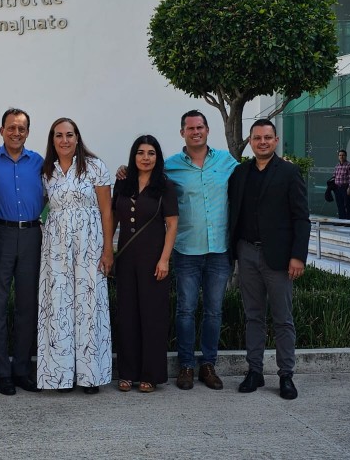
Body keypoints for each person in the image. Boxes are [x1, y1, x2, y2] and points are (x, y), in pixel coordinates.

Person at [228, 118, 310, 400]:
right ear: (250, 142)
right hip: (247, 252)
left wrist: (298, 256)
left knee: (282, 318)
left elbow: (301, 218)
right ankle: (255, 371)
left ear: (275, 141)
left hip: (279, 257)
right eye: (257, 138)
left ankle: (286, 374)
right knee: (253, 316)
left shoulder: (289, 172)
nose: (262, 142)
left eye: (267, 137)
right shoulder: (240, 173)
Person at [37, 117, 114, 394]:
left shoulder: (95, 167)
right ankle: (60, 375)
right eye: (59, 135)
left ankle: (90, 376)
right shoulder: (46, 171)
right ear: (52, 140)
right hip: (56, 248)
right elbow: (45, 207)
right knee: (58, 306)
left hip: (89, 245)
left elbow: (106, 210)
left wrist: (108, 250)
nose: (65, 140)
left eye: (69, 134)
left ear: (77, 137)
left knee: (89, 305)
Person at [163, 110, 238, 391]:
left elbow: (252, 175)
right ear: (182, 132)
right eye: (190, 128)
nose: (196, 132)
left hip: (219, 250)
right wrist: (124, 171)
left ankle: (208, 365)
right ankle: (185, 366)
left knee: (214, 311)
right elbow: (144, 177)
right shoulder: (170, 166)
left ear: (207, 130)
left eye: (200, 127)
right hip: (186, 250)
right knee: (185, 310)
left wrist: (282, 164)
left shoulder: (226, 161)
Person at [0, 109, 43, 396]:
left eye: (21, 128)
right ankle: (2, 372)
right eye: (11, 128)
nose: (16, 133)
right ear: (1, 130)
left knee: (28, 305)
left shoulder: (39, 161)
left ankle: (22, 370)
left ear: (28, 132)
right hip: (0, 236)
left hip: (32, 236)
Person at [112, 135, 178, 393]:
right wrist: (107, 251)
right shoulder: (123, 182)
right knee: (127, 315)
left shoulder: (165, 186)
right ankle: (127, 373)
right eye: (141, 152)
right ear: (134, 156)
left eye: (151, 153)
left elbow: (172, 225)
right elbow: (113, 218)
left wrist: (164, 259)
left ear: (157, 157)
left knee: (152, 316)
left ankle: (151, 374)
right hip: (126, 259)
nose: (146, 158)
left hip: (153, 260)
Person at [332, 149, 350, 220]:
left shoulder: (349, 165)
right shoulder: (337, 166)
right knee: (340, 205)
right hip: (337, 188)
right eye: (340, 155)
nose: (341, 157)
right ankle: (341, 220)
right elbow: (334, 176)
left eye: (343, 155)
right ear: (338, 156)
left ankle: (349, 222)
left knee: (347, 204)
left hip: (345, 187)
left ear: (346, 156)